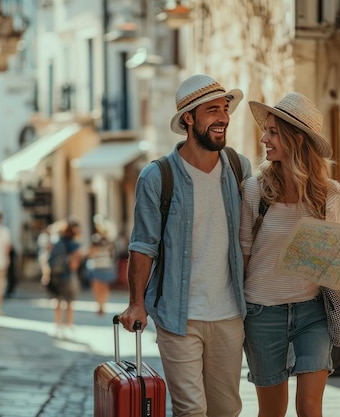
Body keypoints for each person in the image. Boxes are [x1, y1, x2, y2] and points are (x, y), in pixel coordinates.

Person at [118, 74, 252, 417]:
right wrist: (136, 303)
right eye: (212, 110)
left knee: (225, 410)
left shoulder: (239, 169)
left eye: (225, 109)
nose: (223, 117)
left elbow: (261, 231)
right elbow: (143, 245)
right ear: (189, 119)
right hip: (178, 315)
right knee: (190, 410)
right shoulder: (158, 176)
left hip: (230, 313)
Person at [240, 92, 340, 417]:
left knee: (310, 407)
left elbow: (329, 262)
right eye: (265, 130)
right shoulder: (254, 191)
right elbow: (241, 257)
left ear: (295, 138)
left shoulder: (329, 194)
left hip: (312, 312)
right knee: (272, 411)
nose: (263, 139)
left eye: (272, 132)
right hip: (262, 314)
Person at [47, 219, 82, 338]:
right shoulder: (73, 243)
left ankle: (57, 325)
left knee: (57, 301)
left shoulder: (55, 241)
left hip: (55, 274)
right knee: (69, 302)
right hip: (68, 275)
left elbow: (48, 257)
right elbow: (74, 261)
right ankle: (68, 324)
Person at [87, 228, 117, 316]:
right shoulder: (95, 240)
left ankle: (102, 305)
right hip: (97, 266)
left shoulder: (110, 241)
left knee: (104, 287)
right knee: (97, 287)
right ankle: (99, 304)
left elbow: (113, 252)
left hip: (106, 266)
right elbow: (91, 252)